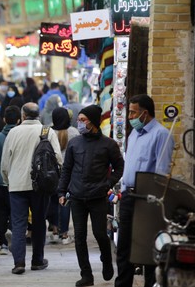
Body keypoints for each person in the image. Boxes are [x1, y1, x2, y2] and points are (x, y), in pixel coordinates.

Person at [57, 105, 124, 286]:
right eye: (78, 120)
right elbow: (67, 170)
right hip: (77, 197)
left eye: (83, 120)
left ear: (93, 122)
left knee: (100, 234)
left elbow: (119, 167)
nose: (79, 123)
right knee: (79, 237)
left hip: (97, 197)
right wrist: (61, 191)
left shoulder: (108, 144)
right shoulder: (74, 143)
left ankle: (107, 260)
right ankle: (86, 275)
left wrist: (108, 183)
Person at [115, 94, 174, 287]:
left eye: (133, 112)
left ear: (145, 113)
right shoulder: (133, 134)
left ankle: (151, 284)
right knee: (124, 246)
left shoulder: (161, 134)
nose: (130, 116)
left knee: (149, 246)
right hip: (128, 196)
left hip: (146, 199)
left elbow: (162, 172)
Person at [1, 102, 63, 275]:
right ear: (39, 115)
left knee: (19, 224)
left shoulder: (13, 132)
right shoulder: (47, 131)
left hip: (17, 185)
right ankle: (37, 260)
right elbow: (58, 158)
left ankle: (19, 263)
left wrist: (8, 181)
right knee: (39, 222)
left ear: (23, 115)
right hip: (40, 185)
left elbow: (5, 162)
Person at [0, 105, 21, 255]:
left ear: (4, 120)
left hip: (0, 180)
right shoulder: (21, 136)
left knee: (1, 212)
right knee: (18, 212)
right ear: (19, 120)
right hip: (18, 181)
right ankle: (17, 240)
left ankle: (3, 244)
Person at [46, 107, 79, 245]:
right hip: (68, 173)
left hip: (51, 172)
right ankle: (64, 235)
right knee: (65, 202)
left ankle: (54, 231)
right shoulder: (74, 133)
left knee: (53, 201)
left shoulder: (48, 132)